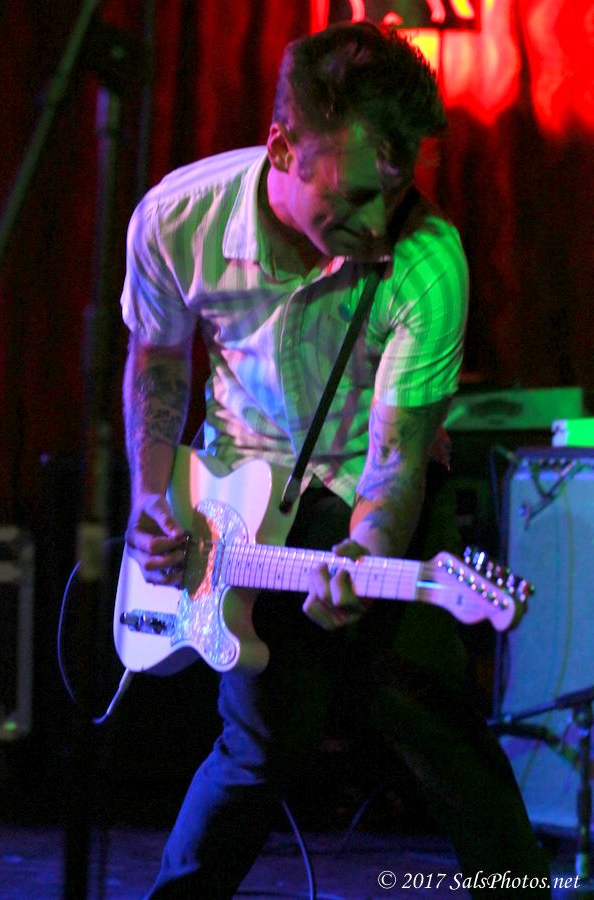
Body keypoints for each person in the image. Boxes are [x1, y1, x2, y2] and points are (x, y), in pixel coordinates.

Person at [120, 21, 550, 898]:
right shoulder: (176, 218)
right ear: (283, 148)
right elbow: (158, 360)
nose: (376, 224)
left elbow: (398, 453)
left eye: (392, 196)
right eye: (353, 196)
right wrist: (152, 495)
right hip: (236, 490)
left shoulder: (429, 262)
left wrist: (368, 550)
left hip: (368, 480)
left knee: (430, 718)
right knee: (260, 744)